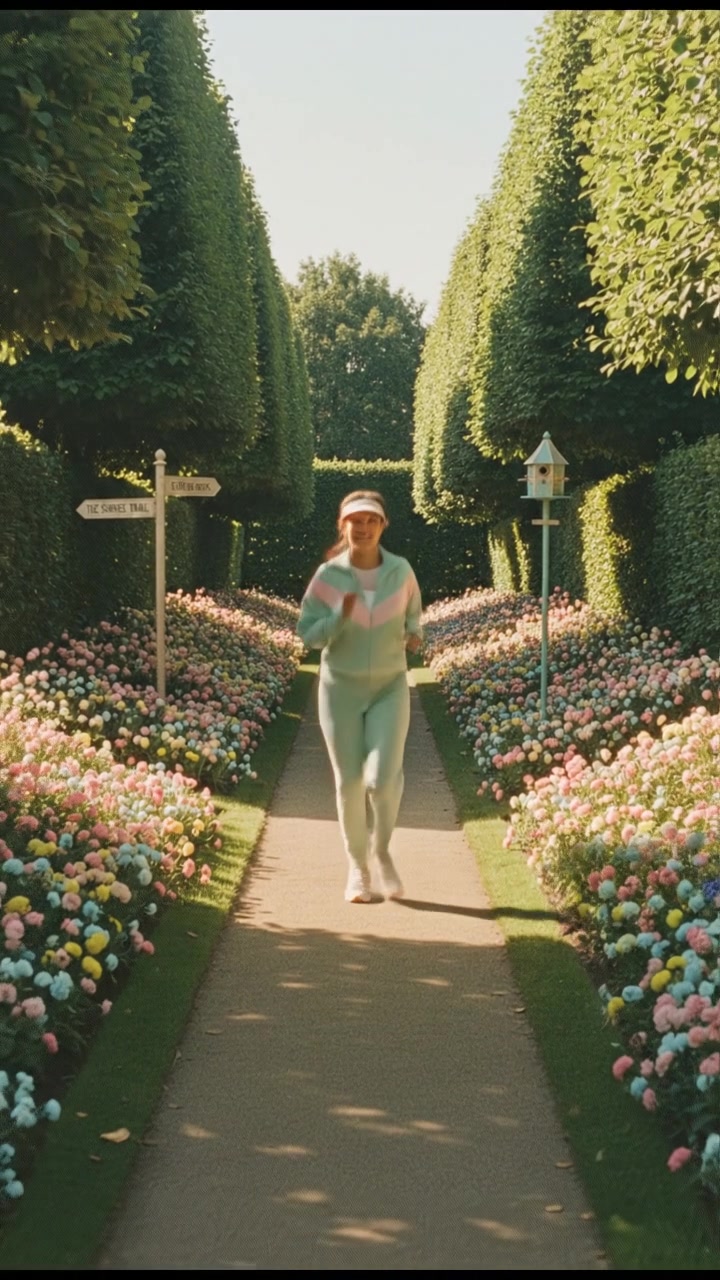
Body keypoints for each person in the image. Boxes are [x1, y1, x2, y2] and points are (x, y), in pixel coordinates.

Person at [297, 490, 423, 903]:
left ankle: (381, 850)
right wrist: (338, 617)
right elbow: (307, 634)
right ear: (343, 525)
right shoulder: (329, 577)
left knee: (382, 780)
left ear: (383, 525)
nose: (363, 527)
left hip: (389, 686)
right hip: (340, 688)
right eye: (356, 520)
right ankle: (358, 869)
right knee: (350, 781)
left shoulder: (401, 570)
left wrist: (415, 633)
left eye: (371, 520)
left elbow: (413, 614)